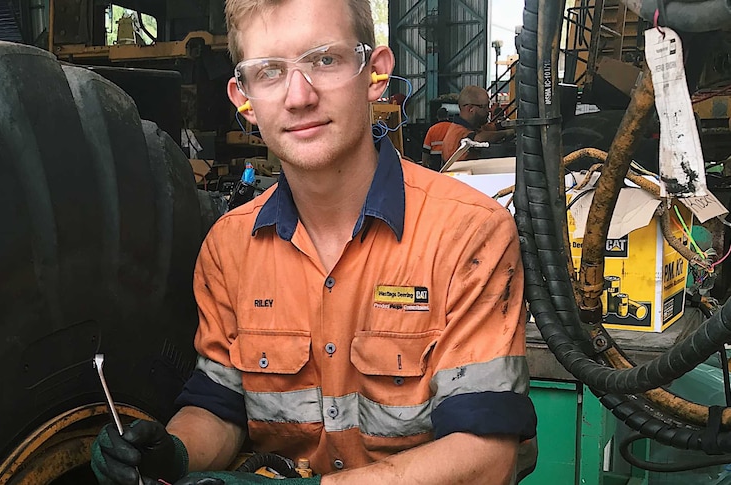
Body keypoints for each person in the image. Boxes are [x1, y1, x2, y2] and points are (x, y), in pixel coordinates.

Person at [90, 0, 537, 484]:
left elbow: (487, 461)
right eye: (269, 72)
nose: (298, 96)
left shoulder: (466, 233)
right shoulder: (229, 248)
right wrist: (174, 455)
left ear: (376, 73)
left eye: (325, 59)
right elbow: (220, 406)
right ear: (244, 98)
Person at [440, 85, 515, 165]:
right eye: (485, 106)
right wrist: (508, 133)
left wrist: (510, 125)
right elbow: (477, 139)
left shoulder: (472, 127)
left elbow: (492, 127)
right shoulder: (457, 133)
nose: (489, 110)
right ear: (470, 109)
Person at [421, 106, 452, 171]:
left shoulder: (432, 129)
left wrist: (424, 163)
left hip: (435, 160)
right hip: (450, 157)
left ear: (437, 117)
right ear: (447, 116)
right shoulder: (453, 128)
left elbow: (426, 149)